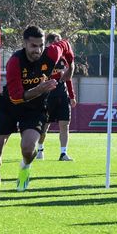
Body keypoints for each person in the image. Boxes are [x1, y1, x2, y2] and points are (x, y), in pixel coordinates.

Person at [0, 26, 72, 195]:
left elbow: (66, 46)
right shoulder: (14, 62)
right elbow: (16, 97)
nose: (38, 50)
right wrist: (40, 89)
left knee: (28, 148)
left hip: (35, 108)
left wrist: (71, 66)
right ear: (25, 43)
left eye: (41, 45)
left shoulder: (52, 53)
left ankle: (25, 167)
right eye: (33, 46)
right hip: (9, 105)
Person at [36, 32, 76, 162]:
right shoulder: (45, 57)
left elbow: (67, 77)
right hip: (48, 95)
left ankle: (63, 153)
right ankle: (40, 149)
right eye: (56, 43)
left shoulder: (63, 60)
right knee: (45, 125)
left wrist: (71, 95)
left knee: (64, 124)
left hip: (61, 94)